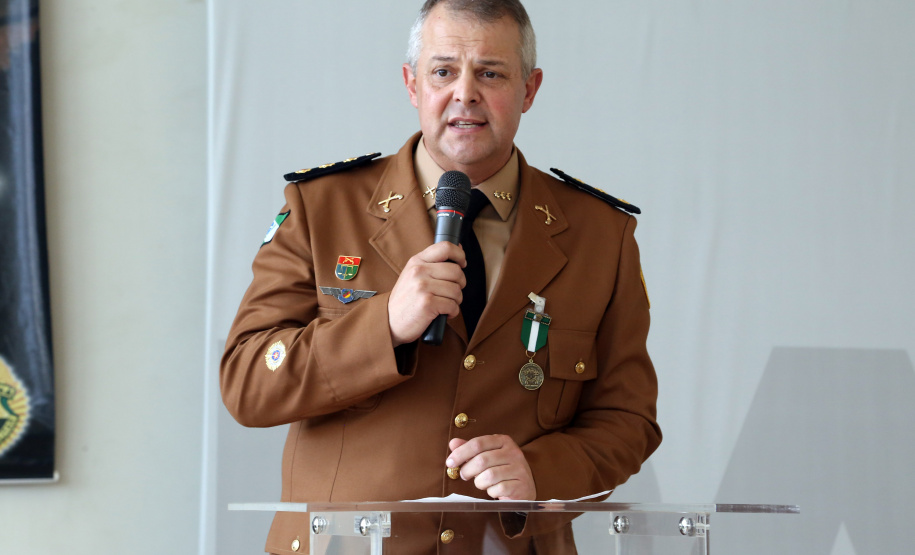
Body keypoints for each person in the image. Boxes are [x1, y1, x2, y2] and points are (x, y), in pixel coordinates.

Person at [220, 1, 661, 553]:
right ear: (412, 83)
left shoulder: (600, 235)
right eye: (444, 70)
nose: (465, 94)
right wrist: (384, 325)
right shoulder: (321, 208)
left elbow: (628, 419)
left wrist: (541, 473)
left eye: (492, 73)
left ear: (529, 90)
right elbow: (246, 384)